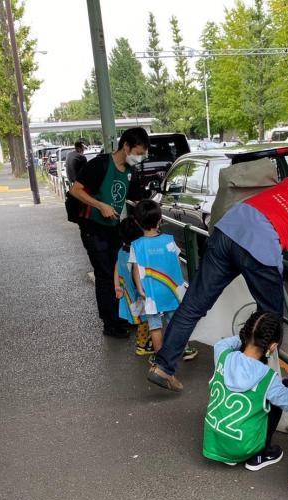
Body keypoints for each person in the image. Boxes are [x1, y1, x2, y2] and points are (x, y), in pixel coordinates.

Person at [147, 178, 288, 392]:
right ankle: (249, 383)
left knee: (193, 305)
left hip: (227, 228)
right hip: (260, 247)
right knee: (270, 320)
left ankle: (163, 367)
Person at [70, 127, 148, 338]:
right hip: (92, 227)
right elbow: (75, 190)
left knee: (119, 270)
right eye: (138, 153)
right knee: (105, 274)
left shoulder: (130, 171)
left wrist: (150, 212)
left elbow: (137, 198)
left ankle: (122, 315)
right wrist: (99, 205)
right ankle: (110, 323)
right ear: (126, 146)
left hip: (113, 227)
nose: (140, 158)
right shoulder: (100, 164)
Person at [203, 311, 288, 470]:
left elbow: (223, 344)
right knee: (274, 400)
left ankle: (227, 453)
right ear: (273, 346)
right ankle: (260, 455)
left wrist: (248, 337)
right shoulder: (268, 377)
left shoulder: (222, 355)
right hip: (243, 446)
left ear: (245, 334)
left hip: (214, 441)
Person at [129, 200, 197, 362]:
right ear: (160, 220)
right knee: (176, 322)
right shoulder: (169, 240)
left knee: (155, 326)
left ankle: (161, 357)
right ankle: (185, 349)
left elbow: (136, 269)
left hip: (151, 292)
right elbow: (176, 259)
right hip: (171, 290)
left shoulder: (136, 245)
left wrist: (140, 288)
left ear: (137, 222)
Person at [114, 219, 152, 356]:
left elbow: (116, 268)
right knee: (144, 320)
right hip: (137, 294)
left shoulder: (121, 250)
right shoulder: (136, 254)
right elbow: (137, 275)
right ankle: (142, 346)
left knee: (140, 320)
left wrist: (117, 285)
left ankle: (145, 342)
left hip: (127, 292)